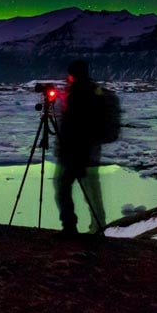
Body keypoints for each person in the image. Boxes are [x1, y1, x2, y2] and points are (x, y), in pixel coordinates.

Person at [54, 59, 107, 236]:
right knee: (92, 191)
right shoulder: (92, 91)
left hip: (76, 153)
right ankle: (98, 227)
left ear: (73, 75)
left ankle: (70, 227)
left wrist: (65, 149)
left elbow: (72, 126)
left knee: (63, 187)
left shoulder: (78, 94)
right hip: (90, 152)